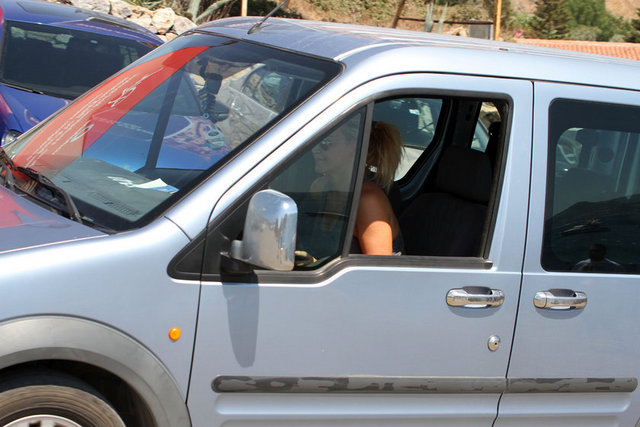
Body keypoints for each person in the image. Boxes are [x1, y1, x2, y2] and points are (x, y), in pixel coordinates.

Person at [352, 121, 404, 255]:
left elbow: (378, 267)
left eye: (327, 142)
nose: (315, 149)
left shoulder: (369, 200)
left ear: (354, 148)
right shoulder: (320, 186)